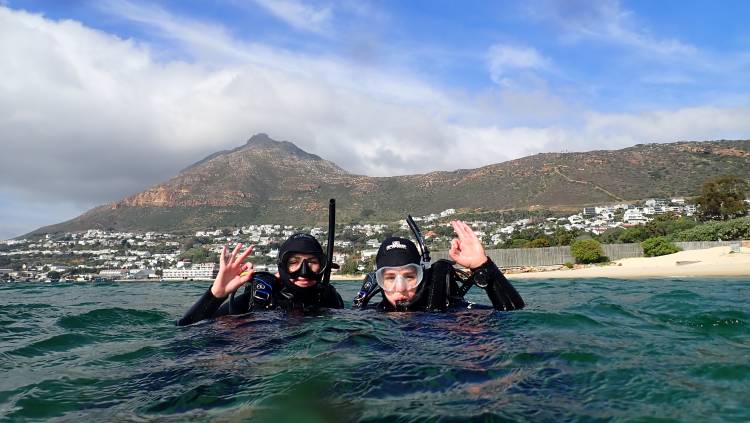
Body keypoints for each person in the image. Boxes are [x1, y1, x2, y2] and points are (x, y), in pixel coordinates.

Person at [353, 220, 524, 312]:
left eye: (410, 276)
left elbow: (512, 314)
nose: (400, 288)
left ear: (422, 275)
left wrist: (483, 266)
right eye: (390, 278)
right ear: (379, 280)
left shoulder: (452, 311)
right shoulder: (368, 318)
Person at [177, 233, 344, 326]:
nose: (304, 272)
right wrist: (215, 295)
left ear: (323, 266)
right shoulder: (260, 298)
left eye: (313, 262)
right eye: (293, 262)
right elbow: (186, 330)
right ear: (281, 267)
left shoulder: (329, 298)